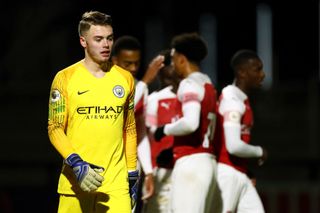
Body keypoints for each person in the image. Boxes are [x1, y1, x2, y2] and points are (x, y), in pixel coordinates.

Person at [47, 11, 139, 213]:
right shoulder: (65, 78)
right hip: (76, 183)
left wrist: (132, 172)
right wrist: (76, 164)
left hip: (116, 185)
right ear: (83, 41)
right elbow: (54, 128)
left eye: (109, 38)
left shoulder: (125, 79)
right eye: (98, 39)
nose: (106, 45)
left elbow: (129, 128)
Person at [154, 32, 219, 213]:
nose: (172, 65)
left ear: (182, 59)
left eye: (173, 60)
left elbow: (191, 123)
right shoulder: (208, 84)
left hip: (191, 162)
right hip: (207, 161)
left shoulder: (188, 84)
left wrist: (164, 129)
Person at [111, 35, 165, 211]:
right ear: (114, 61)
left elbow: (140, 133)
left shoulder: (140, 87)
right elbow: (117, 115)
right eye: (128, 64)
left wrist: (148, 171)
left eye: (136, 63)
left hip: (132, 163)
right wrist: (144, 82)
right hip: (108, 160)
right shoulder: (103, 85)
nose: (133, 68)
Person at [215, 49, 268, 213]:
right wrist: (259, 151)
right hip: (226, 172)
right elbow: (233, 146)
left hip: (239, 171)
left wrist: (246, 169)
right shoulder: (232, 100)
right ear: (242, 73)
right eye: (257, 69)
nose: (263, 74)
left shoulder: (240, 99)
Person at [142, 49, 181, 213]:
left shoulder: (191, 98)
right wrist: (149, 172)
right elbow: (147, 137)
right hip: (160, 173)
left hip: (184, 170)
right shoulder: (153, 100)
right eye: (170, 64)